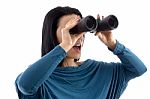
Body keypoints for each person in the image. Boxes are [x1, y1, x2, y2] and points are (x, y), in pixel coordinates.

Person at [15, 6, 147, 99]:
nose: (79, 37)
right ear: (52, 35)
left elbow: (138, 69)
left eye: (81, 30)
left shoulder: (99, 72)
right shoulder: (39, 80)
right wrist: (65, 46)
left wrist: (113, 44)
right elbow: (25, 85)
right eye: (72, 30)